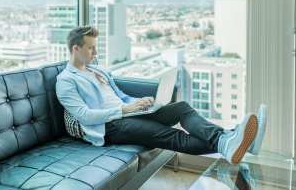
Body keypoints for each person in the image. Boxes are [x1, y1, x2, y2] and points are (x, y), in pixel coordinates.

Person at [56, 26, 267, 165]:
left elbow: (119, 94)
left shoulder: (98, 70)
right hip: (109, 127)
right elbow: (84, 116)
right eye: (91, 48)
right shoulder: (66, 80)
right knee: (170, 135)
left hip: (128, 114)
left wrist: (138, 102)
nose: (95, 53)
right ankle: (238, 141)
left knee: (182, 108)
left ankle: (230, 140)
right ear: (76, 49)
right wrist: (124, 110)